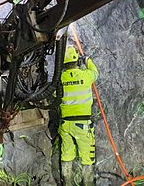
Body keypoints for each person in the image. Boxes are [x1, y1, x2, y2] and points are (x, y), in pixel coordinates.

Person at [59, 44, 99, 186]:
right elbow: (95, 72)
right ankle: (88, 183)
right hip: (82, 125)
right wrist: (87, 60)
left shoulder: (61, 79)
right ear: (77, 60)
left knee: (67, 155)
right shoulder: (85, 75)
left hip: (65, 124)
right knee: (87, 158)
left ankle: (67, 183)